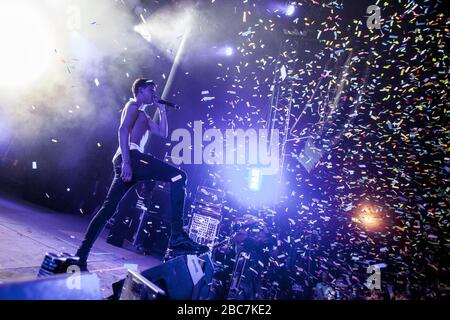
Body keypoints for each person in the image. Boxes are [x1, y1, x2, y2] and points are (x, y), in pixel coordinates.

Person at [74, 78, 208, 270]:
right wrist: (127, 162)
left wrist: (162, 110)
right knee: (179, 176)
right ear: (141, 90)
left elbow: (162, 133)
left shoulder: (144, 114)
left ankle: (81, 255)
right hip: (132, 157)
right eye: (152, 90)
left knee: (108, 208)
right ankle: (177, 235)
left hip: (129, 160)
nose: (155, 94)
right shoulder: (133, 105)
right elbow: (122, 130)